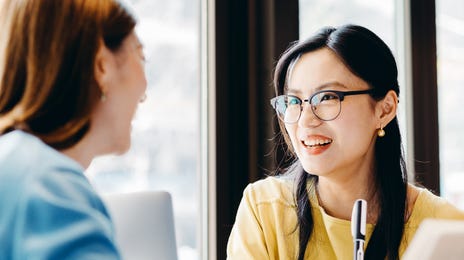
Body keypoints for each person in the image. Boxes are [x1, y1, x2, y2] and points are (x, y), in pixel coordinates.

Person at [227, 24, 464, 259]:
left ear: (385, 109)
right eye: (293, 101)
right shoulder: (265, 209)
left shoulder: (442, 225)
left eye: (328, 97)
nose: (306, 120)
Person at [0, 0, 146, 258]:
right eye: (140, 55)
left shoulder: (14, 165)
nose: (145, 90)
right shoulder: (48, 187)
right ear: (101, 66)